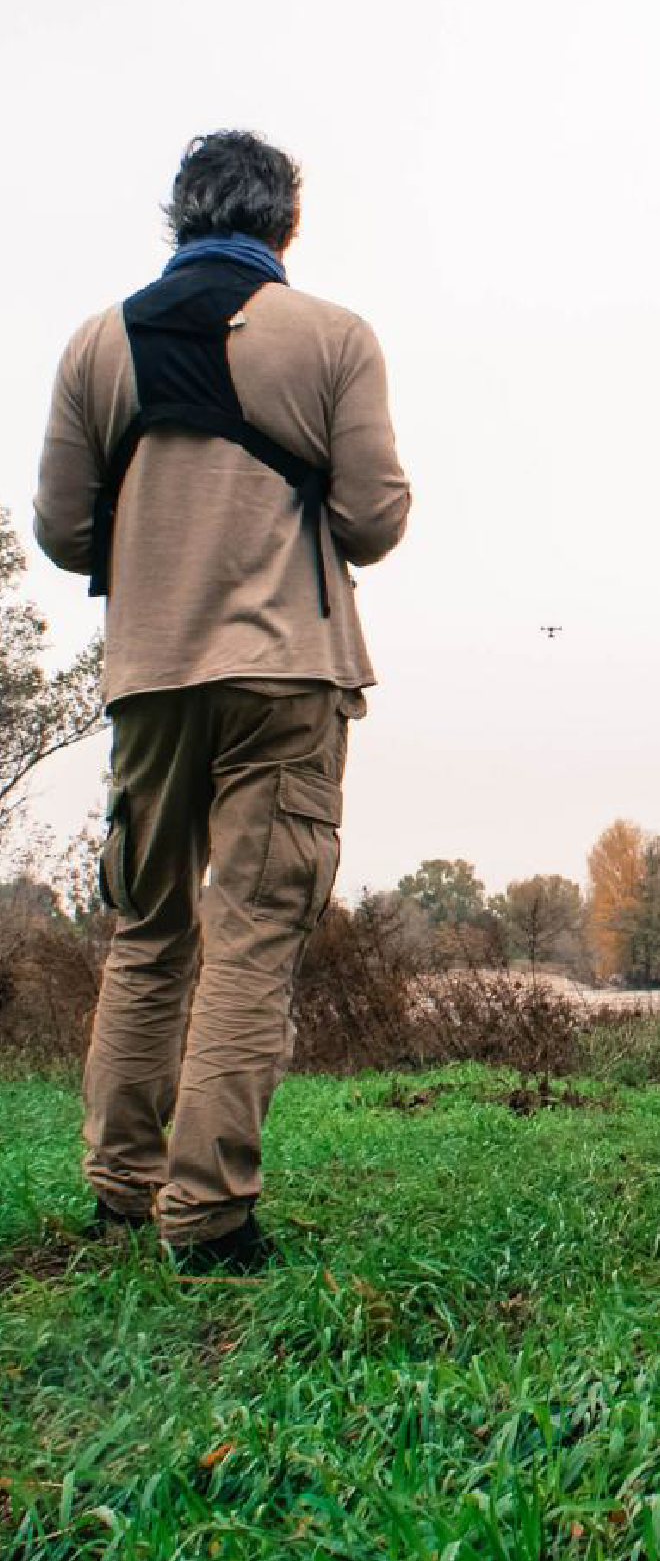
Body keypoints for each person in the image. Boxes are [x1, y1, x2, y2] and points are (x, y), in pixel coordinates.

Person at [34, 130, 411, 1269]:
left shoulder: (97, 344)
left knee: (146, 934)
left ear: (178, 216)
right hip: (286, 674)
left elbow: (59, 528)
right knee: (250, 940)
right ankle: (208, 1215)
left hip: (149, 674)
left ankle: (120, 1192)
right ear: (285, 222)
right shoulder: (333, 337)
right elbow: (375, 518)